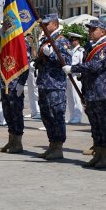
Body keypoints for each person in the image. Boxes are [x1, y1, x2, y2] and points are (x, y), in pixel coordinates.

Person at [64, 19, 106, 168]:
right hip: (91, 92)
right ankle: (98, 154)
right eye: (90, 29)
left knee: (105, 125)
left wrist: (74, 68)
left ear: (103, 31)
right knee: (95, 125)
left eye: (93, 29)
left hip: (103, 93)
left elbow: (96, 65)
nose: (90, 32)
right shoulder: (91, 46)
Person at [34, 14, 72, 160]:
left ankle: (58, 147)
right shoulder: (45, 39)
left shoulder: (62, 41)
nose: (44, 26)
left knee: (57, 116)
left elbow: (67, 61)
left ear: (55, 25)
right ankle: (51, 144)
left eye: (47, 24)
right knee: (46, 116)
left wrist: (51, 55)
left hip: (56, 84)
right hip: (44, 83)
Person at [0, 31, 29, 154]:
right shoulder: (5, 42)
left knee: (16, 114)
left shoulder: (21, 42)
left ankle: (18, 143)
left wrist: (22, 83)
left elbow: (25, 64)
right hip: (5, 82)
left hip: (15, 85)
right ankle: (11, 140)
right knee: (7, 113)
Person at [66, 32, 85, 124]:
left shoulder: (81, 51)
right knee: (70, 98)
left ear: (77, 41)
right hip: (68, 76)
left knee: (76, 97)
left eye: (72, 40)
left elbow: (82, 65)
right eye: (70, 40)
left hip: (76, 76)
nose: (70, 42)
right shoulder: (70, 50)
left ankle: (78, 116)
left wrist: (78, 74)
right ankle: (72, 116)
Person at [24, 33, 41, 120]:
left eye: (30, 36)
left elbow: (35, 55)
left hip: (35, 66)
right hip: (29, 65)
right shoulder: (27, 43)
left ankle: (39, 111)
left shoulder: (37, 42)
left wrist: (33, 43)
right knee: (31, 91)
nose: (28, 37)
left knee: (36, 90)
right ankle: (34, 111)